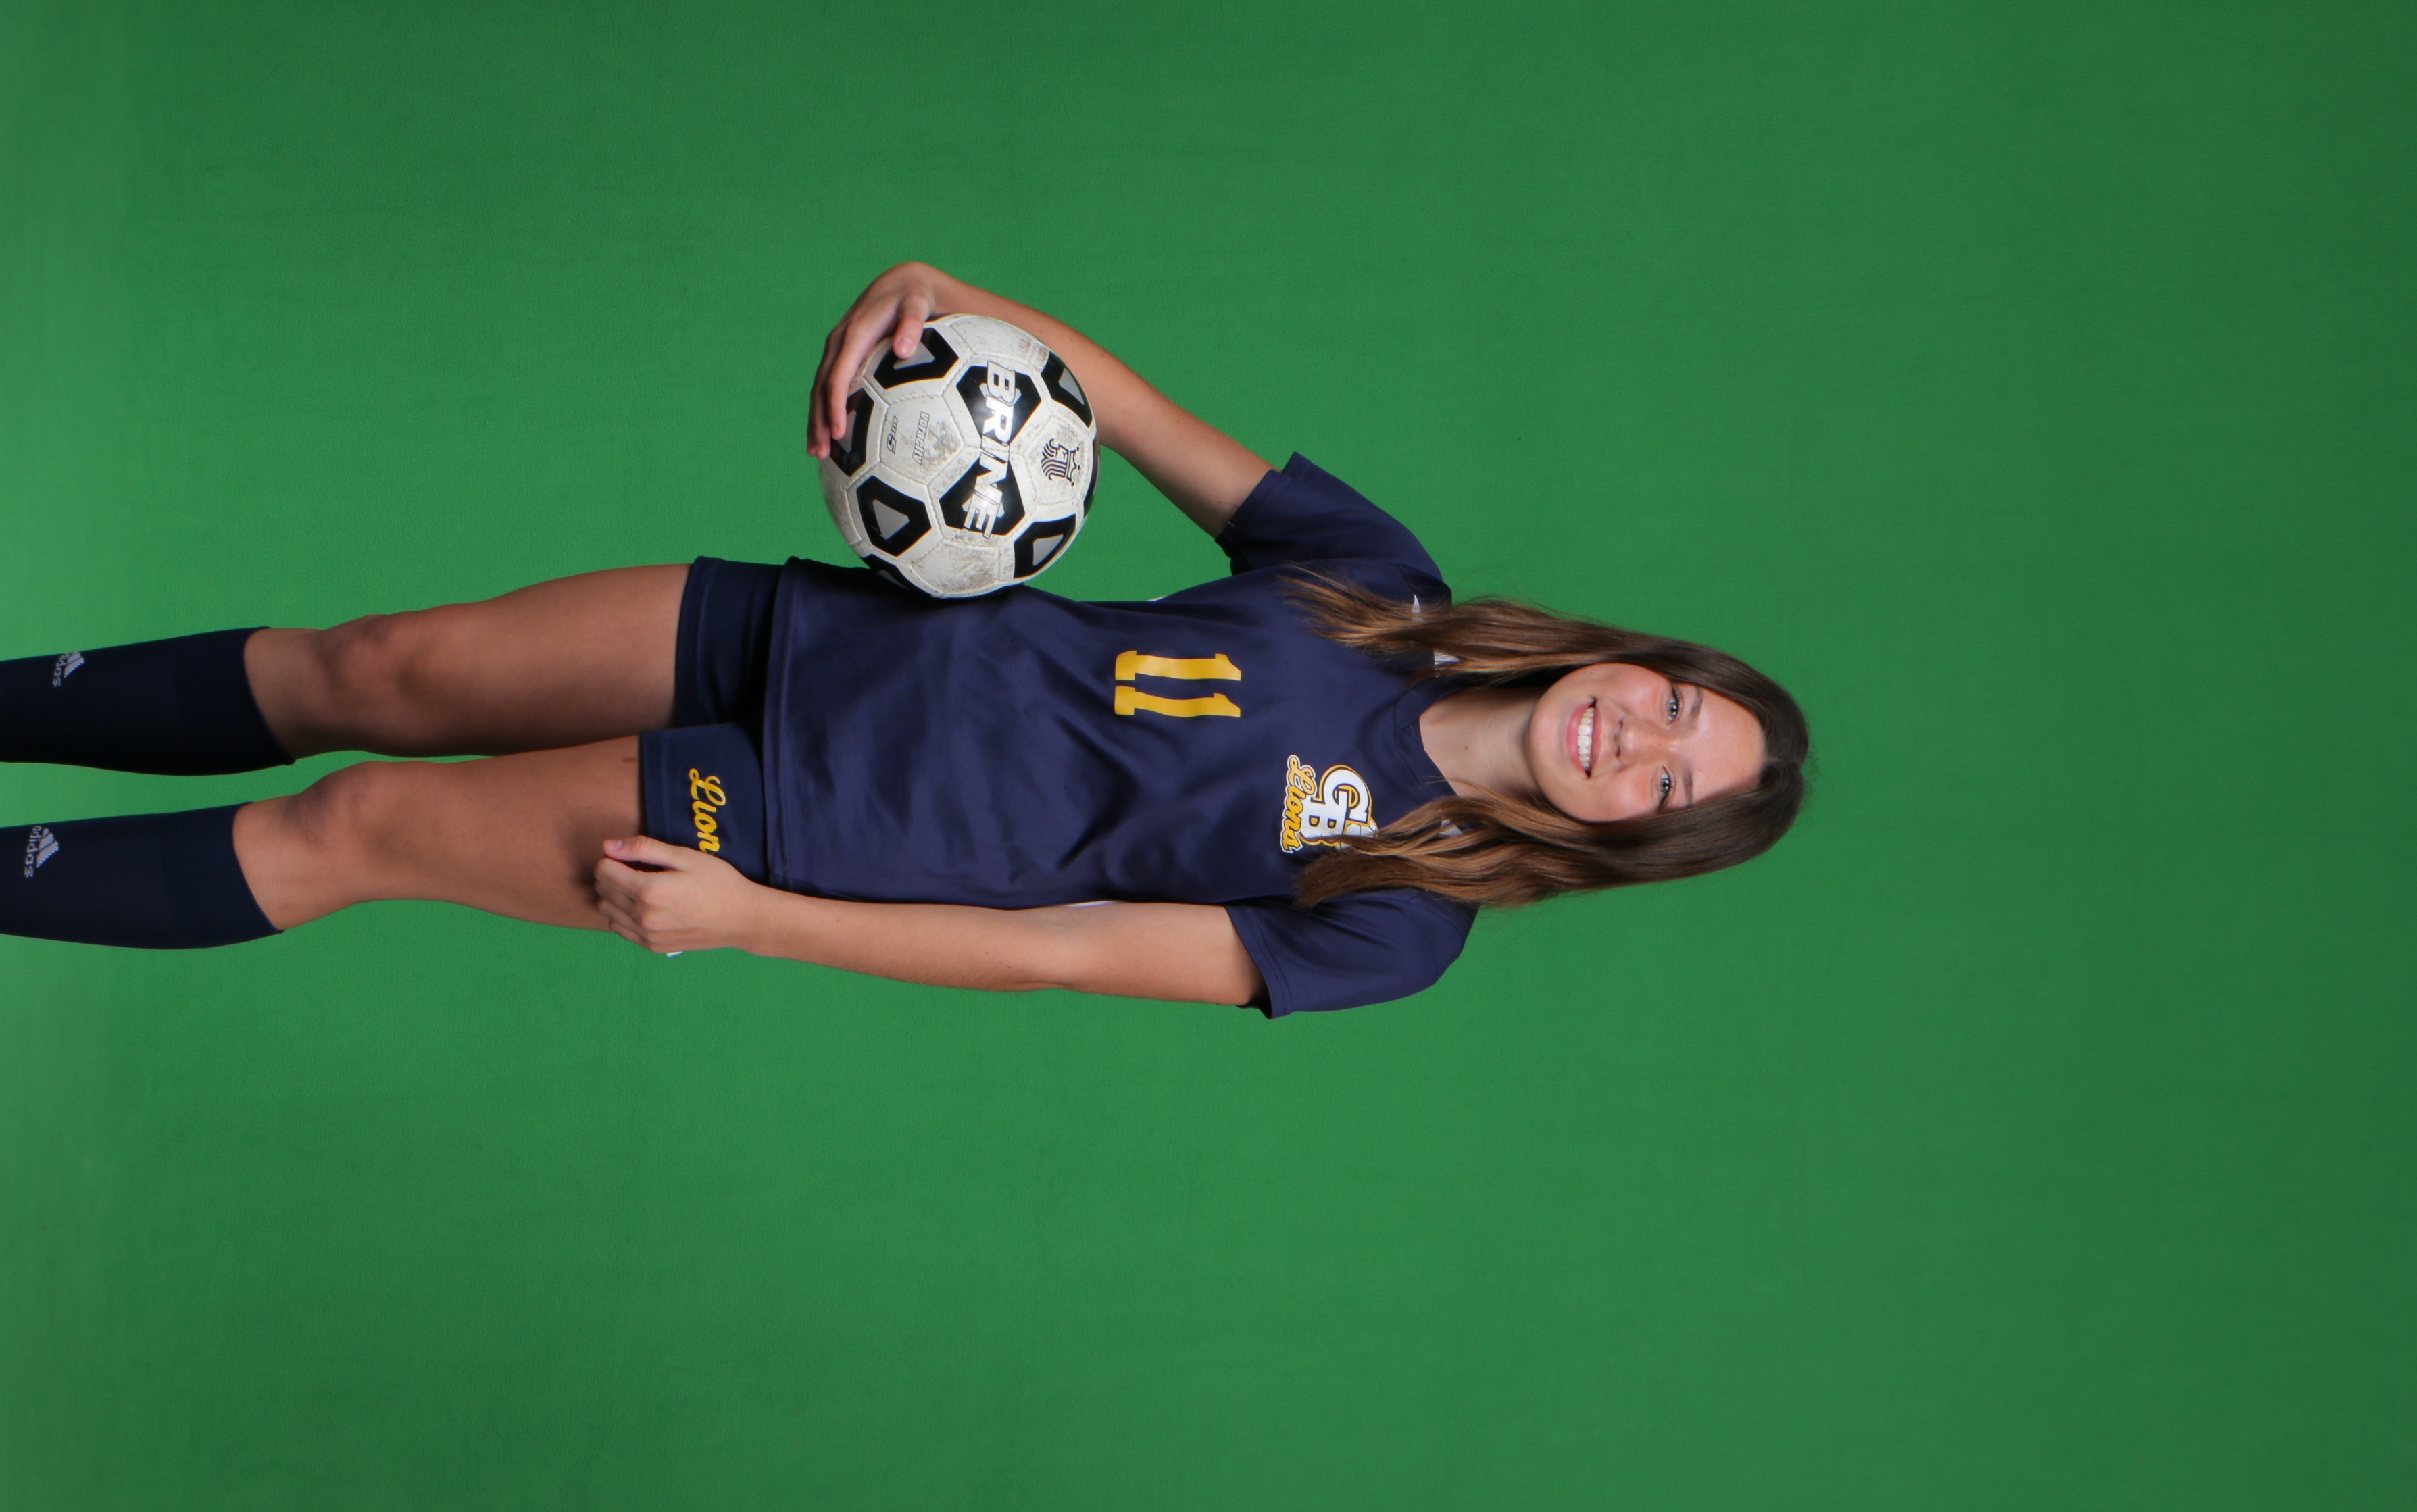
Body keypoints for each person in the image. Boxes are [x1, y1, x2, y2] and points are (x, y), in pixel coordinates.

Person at [0, 263, 1810, 1015]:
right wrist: (948, 298)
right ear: (1639, 656)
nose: (1635, 739)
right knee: (373, 667)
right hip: (835, 631)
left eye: (1669, 782)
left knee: (360, 824)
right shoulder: (1387, 586)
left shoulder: (1405, 921)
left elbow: (1075, 952)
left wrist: (760, 920)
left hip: (821, 819)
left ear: (1637, 840)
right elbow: (1119, 408)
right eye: (1673, 703)